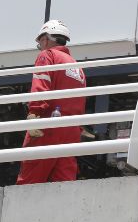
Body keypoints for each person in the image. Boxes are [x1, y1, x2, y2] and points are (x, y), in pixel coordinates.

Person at [16, 20, 87, 185]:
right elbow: (80, 99)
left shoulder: (47, 55)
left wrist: (34, 113)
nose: (40, 46)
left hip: (48, 125)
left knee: (30, 178)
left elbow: (41, 84)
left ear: (46, 39)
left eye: (40, 42)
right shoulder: (77, 66)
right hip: (71, 129)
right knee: (64, 182)